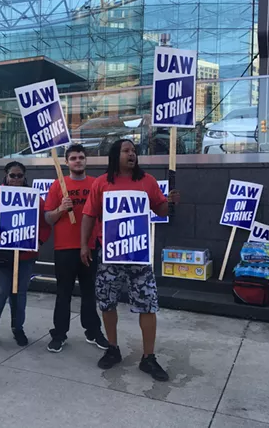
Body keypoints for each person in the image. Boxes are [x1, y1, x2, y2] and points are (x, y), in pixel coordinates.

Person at [81, 139, 180, 381]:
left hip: (139, 254)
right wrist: (84, 244)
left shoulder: (147, 181)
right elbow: (89, 214)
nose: (132, 154)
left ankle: (148, 357)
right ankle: (112, 348)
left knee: (148, 304)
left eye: (134, 151)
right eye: (126, 150)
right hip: (110, 254)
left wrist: (171, 203)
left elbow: (161, 210)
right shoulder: (102, 183)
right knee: (107, 302)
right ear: (115, 155)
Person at [0, 161, 51, 349]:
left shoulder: (35, 198)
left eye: (19, 176)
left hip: (24, 258)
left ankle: (18, 328)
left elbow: (45, 224)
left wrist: (38, 242)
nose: (16, 179)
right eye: (13, 175)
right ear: (6, 175)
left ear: (25, 177)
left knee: (19, 295)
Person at [44, 144, 109, 353]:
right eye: (73, 158)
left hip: (90, 246)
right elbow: (48, 218)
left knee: (90, 292)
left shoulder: (96, 184)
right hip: (64, 247)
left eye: (81, 157)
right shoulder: (58, 186)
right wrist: (60, 209)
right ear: (66, 162)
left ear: (86, 160)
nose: (78, 161)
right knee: (64, 292)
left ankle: (93, 331)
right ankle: (59, 333)